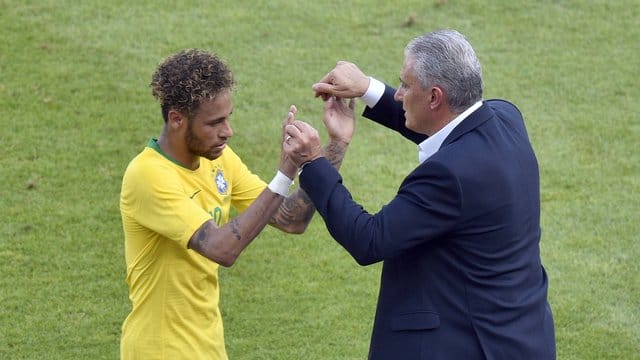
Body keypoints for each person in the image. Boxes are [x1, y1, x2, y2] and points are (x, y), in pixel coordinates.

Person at [283, 29, 556, 359]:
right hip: (524, 337)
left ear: (435, 97)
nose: (398, 94)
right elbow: (445, 129)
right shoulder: (505, 117)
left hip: (469, 345)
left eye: (406, 85)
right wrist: (367, 88)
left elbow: (369, 239)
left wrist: (313, 161)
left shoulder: (448, 176)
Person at [118, 49, 351, 359]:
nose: (228, 131)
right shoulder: (148, 175)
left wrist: (334, 146)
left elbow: (290, 218)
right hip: (161, 349)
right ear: (176, 119)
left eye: (227, 118)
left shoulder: (218, 159)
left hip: (208, 348)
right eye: (214, 123)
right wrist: (285, 171)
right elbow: (221, 248)